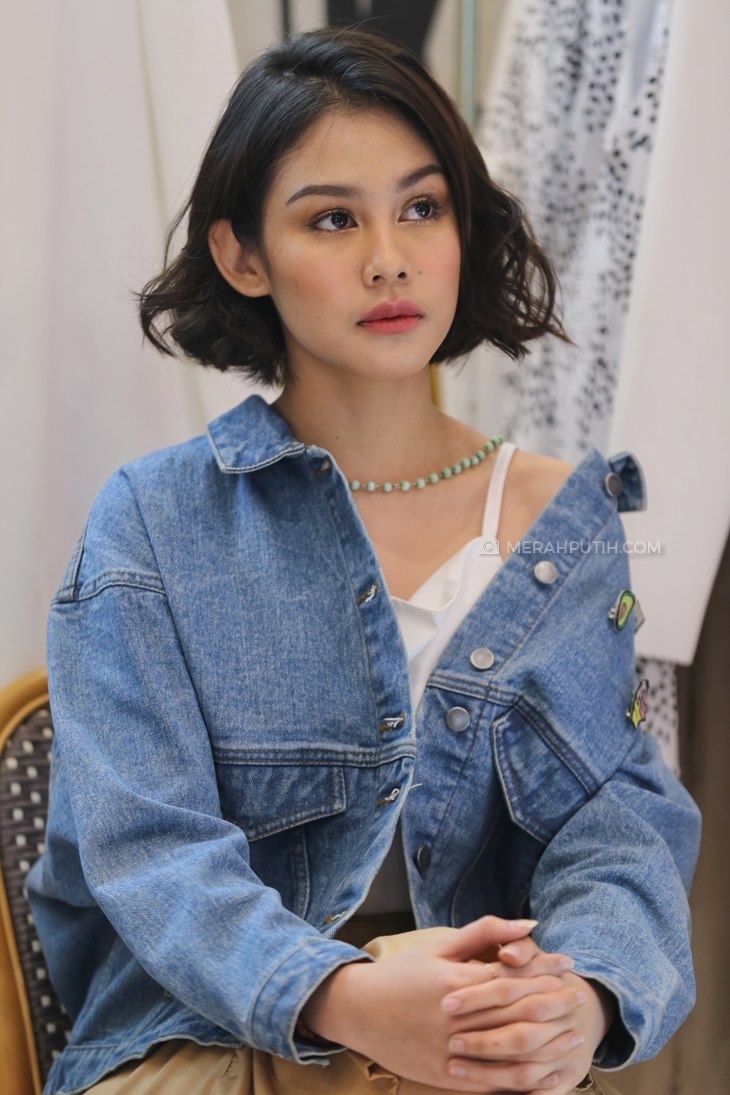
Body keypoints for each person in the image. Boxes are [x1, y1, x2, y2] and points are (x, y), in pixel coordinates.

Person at [27, 27, 700, 1095]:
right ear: (242, 256)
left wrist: (584, 996)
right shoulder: (152, 520)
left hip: (476, 1036)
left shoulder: (561, 520)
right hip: (209, 1034)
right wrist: (345, 995)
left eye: (422, 208)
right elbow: (148, 850)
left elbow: (615, 819)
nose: (389, 256)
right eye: (332, 218)